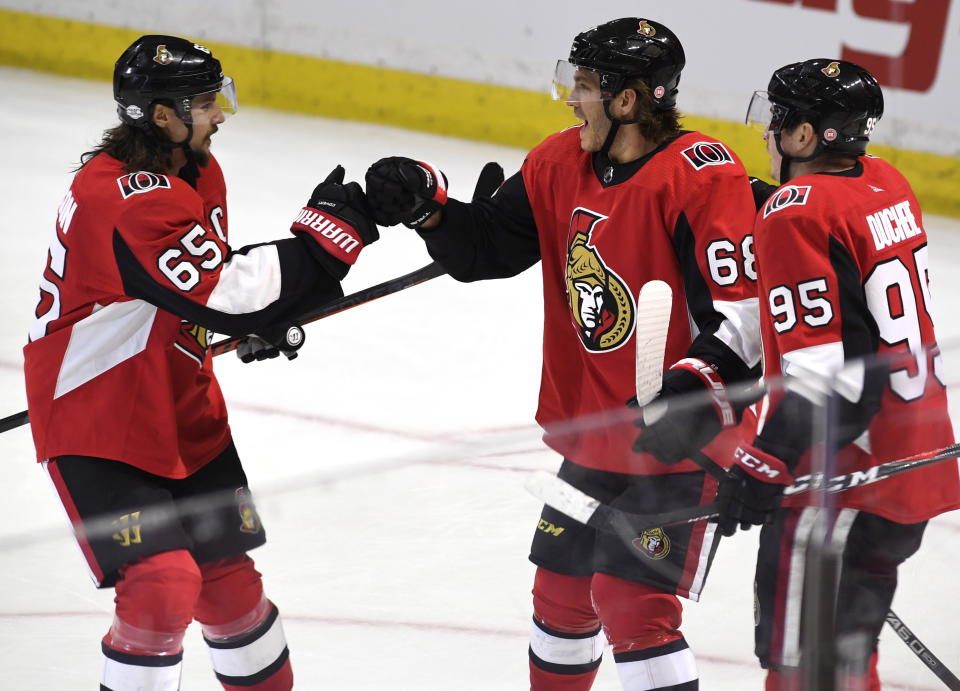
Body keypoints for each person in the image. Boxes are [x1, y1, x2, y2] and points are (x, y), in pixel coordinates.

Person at [363, 18, 760, 691]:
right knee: (562, 592)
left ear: (628, 100)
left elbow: (745, 315)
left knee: (633, 604)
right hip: (599, 429)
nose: (570, 99)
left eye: (583, 85)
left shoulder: (699, 176)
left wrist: (689, 395)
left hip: (683, 431)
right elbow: (490, 245)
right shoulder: (558, 162)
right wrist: (432, 213)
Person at [22, 35, 377, 690]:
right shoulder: (124, 200)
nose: (222, 114)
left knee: (231, 590)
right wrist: (337, 228)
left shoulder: (197, 171)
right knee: (162, 584)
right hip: (97, 418)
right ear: (162, 116)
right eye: (208, 103)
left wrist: (252, 321)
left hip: (178, 399)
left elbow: (204, 291)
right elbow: (230, 295)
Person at [714, 58, 960, 690]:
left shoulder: (795, 215)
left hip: (843, 479)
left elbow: (829, 375)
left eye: (777, 120)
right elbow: (845, 252)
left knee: (804, 673)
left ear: (803, 137)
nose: (767, 133)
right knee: (846, 662)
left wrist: (765, 462)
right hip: (915, 470)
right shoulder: (887, 182)